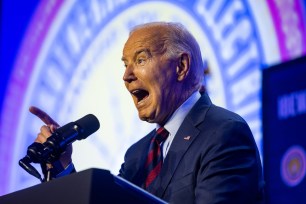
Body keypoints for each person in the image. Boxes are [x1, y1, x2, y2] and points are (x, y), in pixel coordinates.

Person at [29, 22, 264, 203]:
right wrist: (62, 166)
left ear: (181, 67)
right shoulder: (137, 156)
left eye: (141, 59)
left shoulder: (224, 132)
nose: (126, 76)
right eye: (125, 64)